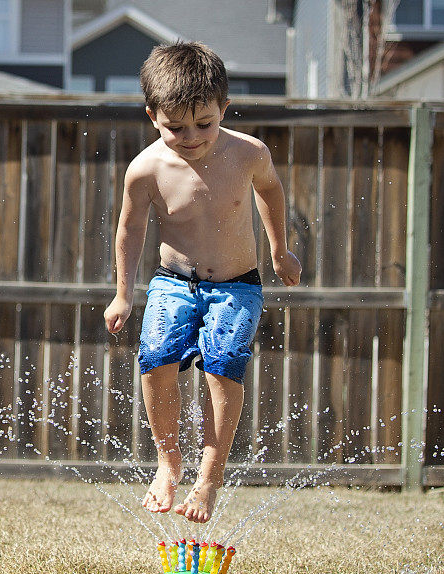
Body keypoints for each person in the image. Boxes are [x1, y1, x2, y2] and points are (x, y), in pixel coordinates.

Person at [103, 42, 301, 524]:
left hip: (237, 285)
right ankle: (169, 465)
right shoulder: (146, 169)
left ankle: (208, 480)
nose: (191, 137)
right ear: (153, 116)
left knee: (222, 368)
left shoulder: (248, 153)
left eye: (204, 123)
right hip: (173, 281)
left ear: (223, 109)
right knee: (154, 363)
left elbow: (271, 191)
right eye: (175, 127)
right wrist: (123, 295)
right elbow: (130, 229)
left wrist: (280, 249)